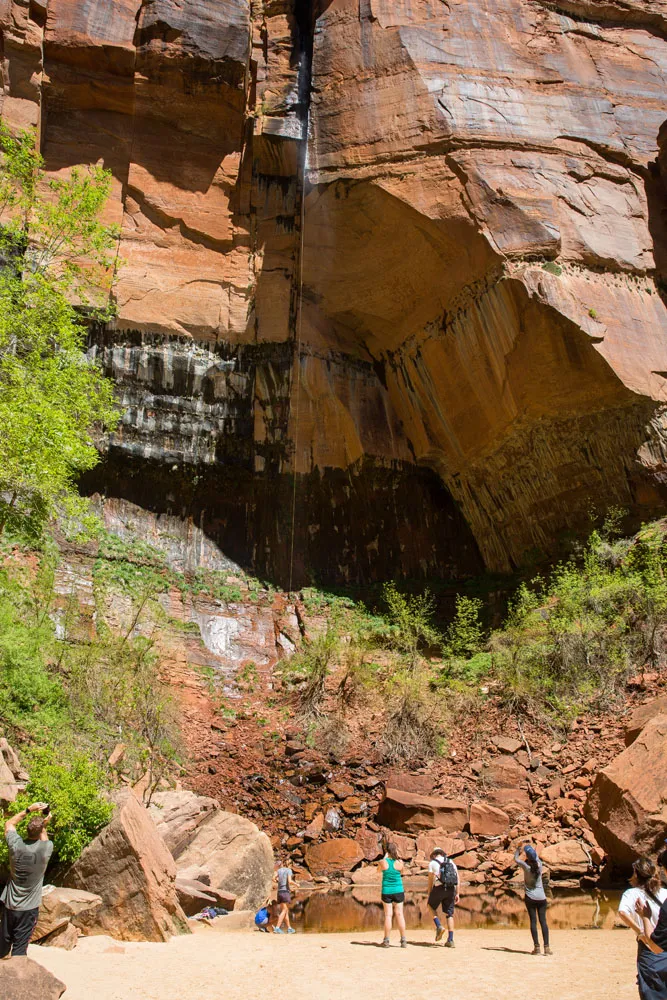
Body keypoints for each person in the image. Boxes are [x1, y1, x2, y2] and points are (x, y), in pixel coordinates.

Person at [0, 802, 53, 959]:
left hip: (10, 905)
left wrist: (28, 809)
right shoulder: (45, 849)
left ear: (27, 830)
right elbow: (44, 838)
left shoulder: (16, 845)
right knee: (20, 952)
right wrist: (44, 824)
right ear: (41, 831)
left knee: (2, 948)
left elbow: (9, 823)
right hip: (29, 910)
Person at [618, 856, 667, 1000]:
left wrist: (639, 931)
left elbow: (622, 912)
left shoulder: (631, 894)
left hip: (648, 946)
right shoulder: (664, 893)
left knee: (651, 988)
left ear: (636, 873)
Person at [514, 844, 552, 956]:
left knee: (533, 922)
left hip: (530, 897)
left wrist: (518, 849)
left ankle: (537, 948)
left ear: (527, 858)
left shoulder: (526, 867)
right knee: (543, 921)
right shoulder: (539, 865)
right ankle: (547, 948)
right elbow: (536, 858)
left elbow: (516, 859)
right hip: (542, 898)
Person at [427, 847, 459, 947]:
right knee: (449, 914)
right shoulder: (451, 861)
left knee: (430, 906)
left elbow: (430, 880)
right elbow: (457, 878)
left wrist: (429, 892)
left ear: (434, 854)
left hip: (439, 888)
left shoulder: (432, 863)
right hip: (451, 889)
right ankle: (450, 940)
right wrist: (457, 893)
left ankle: (439, 926)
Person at [378, 841, 407, 948]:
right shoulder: (400, 862)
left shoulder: (383, 862)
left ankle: (386, 940)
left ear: (387, 851)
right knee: (400, 914)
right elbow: (402, 872)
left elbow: (378, 871)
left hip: (386, 891)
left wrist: (385, 857)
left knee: (388, 915)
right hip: (398, 890)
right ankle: (403, 940)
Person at [274, 861, 296, 934]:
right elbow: (289, 881)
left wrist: (279, 882)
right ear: (288, 864)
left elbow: (273, 878)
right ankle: (277, 927)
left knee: (285, 910)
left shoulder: (279, 871)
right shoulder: (288, 870)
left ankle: (289, 928)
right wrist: (296, 884)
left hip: (279, 892)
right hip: (285, 893)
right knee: (284, 910)